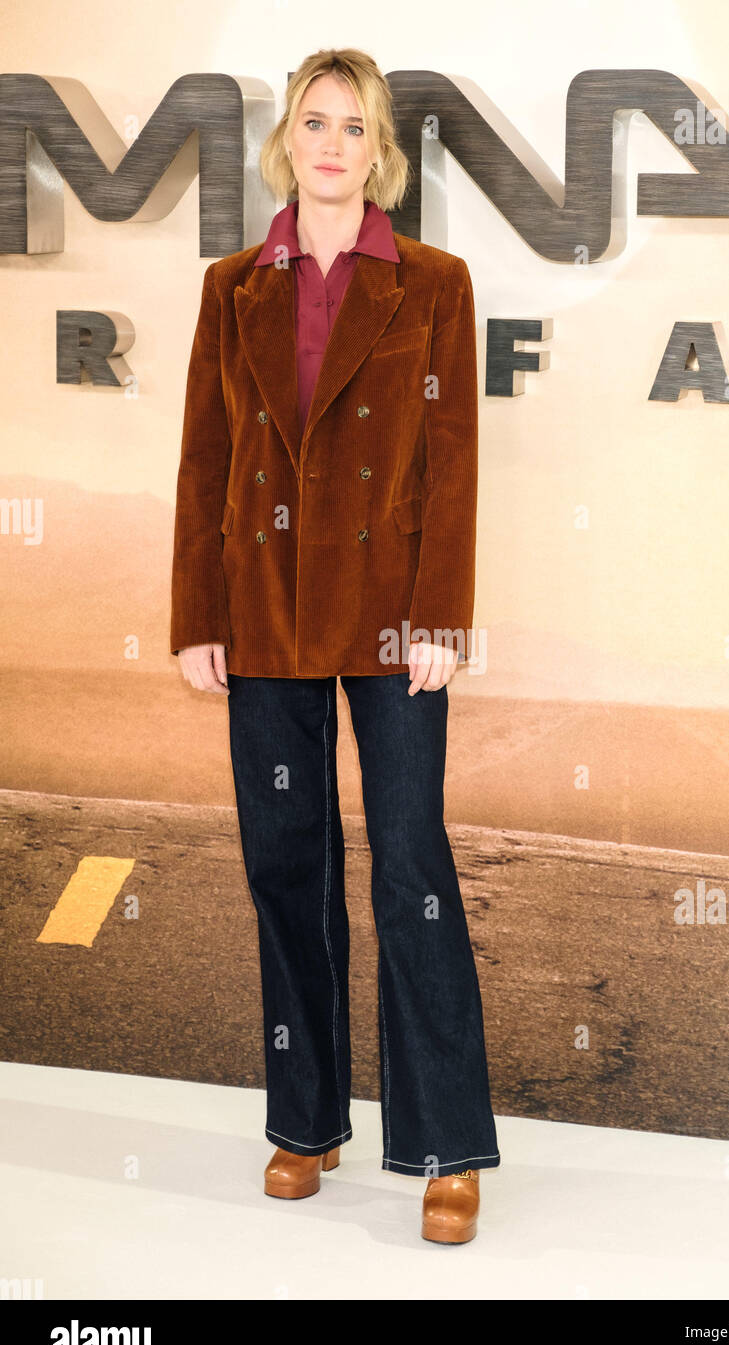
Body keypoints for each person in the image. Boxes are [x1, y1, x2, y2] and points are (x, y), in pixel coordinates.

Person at [170, 47, 499, 1244]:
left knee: (409, 865)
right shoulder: (230, 287)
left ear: (379, 154)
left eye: (352, 128)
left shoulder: (434, 282)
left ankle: (447, 1147)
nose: (329, 143)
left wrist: (443, 620)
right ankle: (302, 1122)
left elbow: (452, 465)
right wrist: (199, 616)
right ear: (286, 142)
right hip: (260, 611)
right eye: (313, 121)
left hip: (391, 612)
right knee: (284, 868)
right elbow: (206, 460)